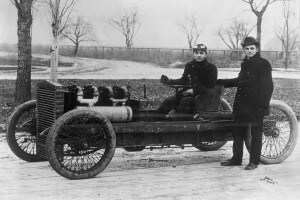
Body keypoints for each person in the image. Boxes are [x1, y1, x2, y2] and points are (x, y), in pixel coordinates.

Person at [218, 36, 274, 170]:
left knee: (256, 133)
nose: (249, 51)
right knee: (238, 132)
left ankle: (254, 162)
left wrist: (262, 106)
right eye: (247, 49)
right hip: (242, 104)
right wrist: (222, 82)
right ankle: (236, 159)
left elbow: (268, 87)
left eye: (252, 48)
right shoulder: (245, 63)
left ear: (257, 49)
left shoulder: (264, 64)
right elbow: (240, 81)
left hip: (256, 106)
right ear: (244, 49)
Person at [157, 44, 217, 120]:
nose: (199, 55)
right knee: (169, 101)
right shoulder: (189, 65)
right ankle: (154, 121)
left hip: (203, 96)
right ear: (193, 54)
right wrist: (169, 81)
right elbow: (184, 80)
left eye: (201, 53)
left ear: (205, 54)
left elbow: (210, 86)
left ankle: (178, 124)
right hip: (188, 94)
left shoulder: (211, 68)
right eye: (196, 53)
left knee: (184, 102)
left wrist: (194, 90)